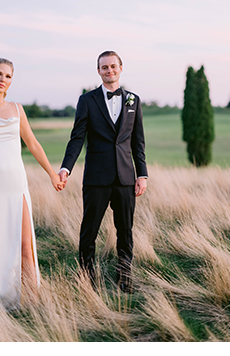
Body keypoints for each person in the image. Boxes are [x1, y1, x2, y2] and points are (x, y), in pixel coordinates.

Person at [0, 58, 63, 308]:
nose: (2, 79)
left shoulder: (17, 109)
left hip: (17, 185)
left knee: (25, 246)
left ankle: (32, 303)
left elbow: (33, 144)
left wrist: (52, 173)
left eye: (8, 76)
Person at [58, 50, 148, 293]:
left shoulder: (133, 100)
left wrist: (142, 175)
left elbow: (137, 142)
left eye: (113, 66)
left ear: (120, 68)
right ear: (98, 71)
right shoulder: (87, 101)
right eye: (104, 67)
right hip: (96, 178)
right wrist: (66, 167)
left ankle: (125, 278)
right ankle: (88, 278)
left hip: (125, 178)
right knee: (89, 230)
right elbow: (77, 138)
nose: (109, 71)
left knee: (125, 231)